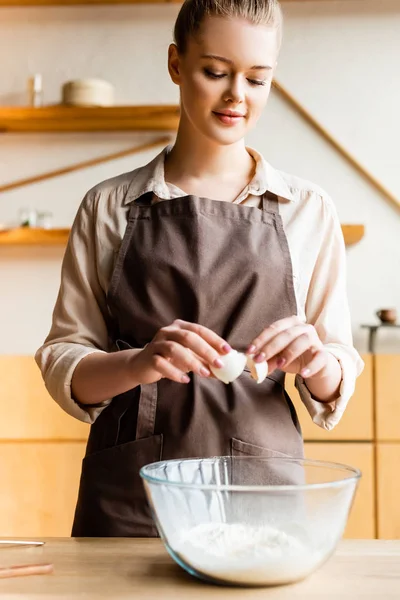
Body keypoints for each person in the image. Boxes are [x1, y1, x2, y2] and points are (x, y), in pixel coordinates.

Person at [36, 0, 364, 537]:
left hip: (262, 491)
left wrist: (319, 362)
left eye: (258, 79)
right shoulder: (109, 205)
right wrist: (139, 364)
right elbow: (63, 358)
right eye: (215, 72)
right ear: (175, 64)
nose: (237, 94)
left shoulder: (308, 209)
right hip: (132, 495)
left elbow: (337, 368)